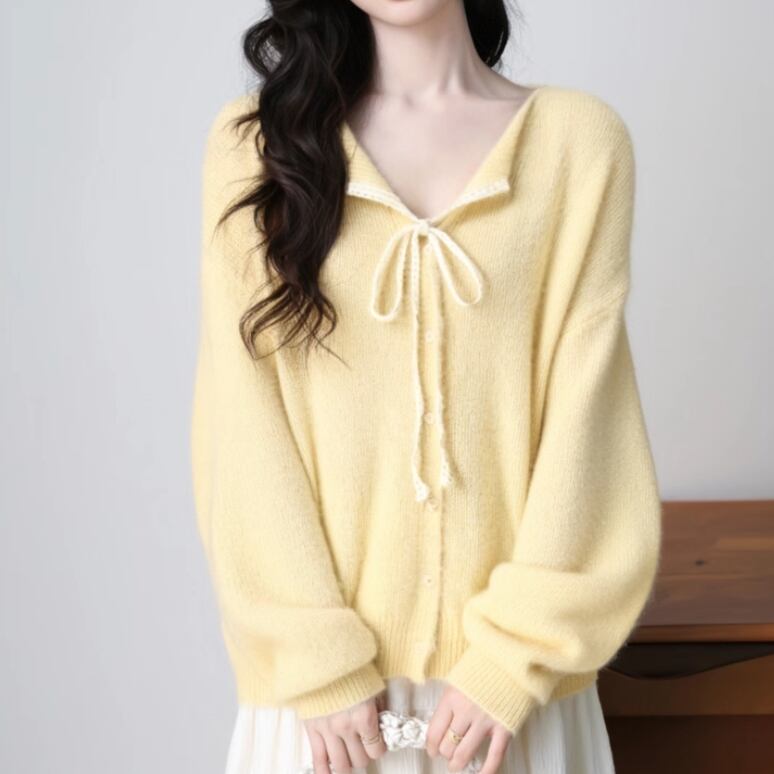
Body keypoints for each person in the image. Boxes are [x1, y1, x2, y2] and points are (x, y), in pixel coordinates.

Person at [190, 1, 663, 772]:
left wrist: (511, 661)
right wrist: (320, 664)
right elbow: (242, 427)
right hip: (324, 721)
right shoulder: (257, 147)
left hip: (510, 712)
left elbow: (591, 425)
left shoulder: (578, 143)